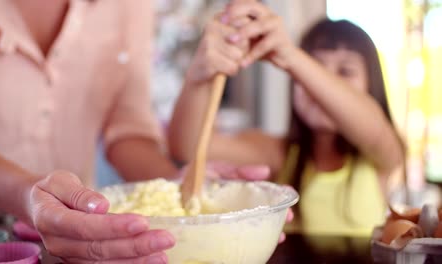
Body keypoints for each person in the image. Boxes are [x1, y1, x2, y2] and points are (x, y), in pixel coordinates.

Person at [0, 0, 273, 262]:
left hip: (78, 244)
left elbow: (128, 128)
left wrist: (170, 186)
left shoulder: (128, 5)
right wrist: (27, 195)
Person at [168, 0, 405, 236]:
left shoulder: (381, 157)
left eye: (345, 71)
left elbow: (372, 124)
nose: (318, 88)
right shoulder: (277, 154)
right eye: (315, 66)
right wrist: (199, 74)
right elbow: (187, 148)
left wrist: (292, 56)